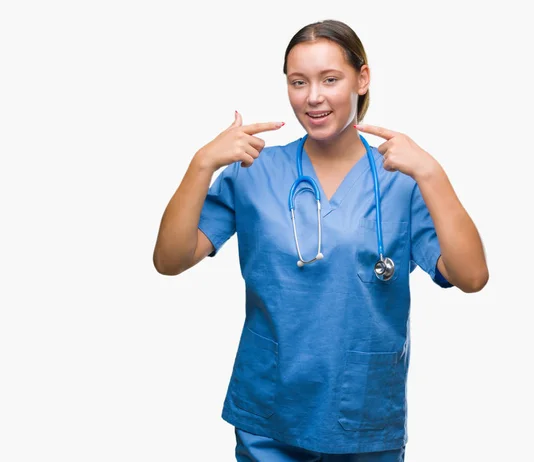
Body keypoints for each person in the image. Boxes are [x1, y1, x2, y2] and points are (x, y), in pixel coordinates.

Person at [153, 18, 488, 461]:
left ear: (362, 79)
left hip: (362, 412)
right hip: (270, 408)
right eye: (299, 82)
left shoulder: (402, 180)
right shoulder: (254, 171)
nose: (313, 97)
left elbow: (471, 276)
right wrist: (201, 165)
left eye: (330, 79)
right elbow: (170, 260)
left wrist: (432, 174)